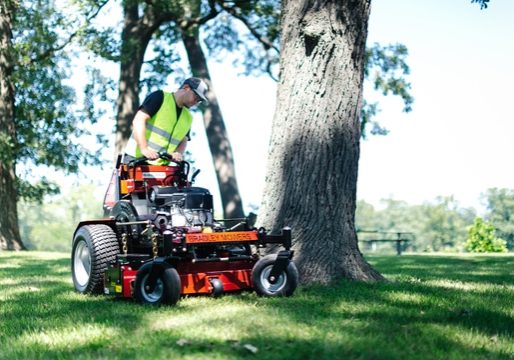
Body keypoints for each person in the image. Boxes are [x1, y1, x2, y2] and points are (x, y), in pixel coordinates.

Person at [123, 77, 209, 165]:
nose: (196, 101)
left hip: (162, 167)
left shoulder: (188, 117)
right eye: (196, 96)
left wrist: (178, 153)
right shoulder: (160, 97)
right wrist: (144, 149)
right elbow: (138, 120)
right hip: (136, 159)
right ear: (186, 88)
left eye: (199, 100)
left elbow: (184, 140)